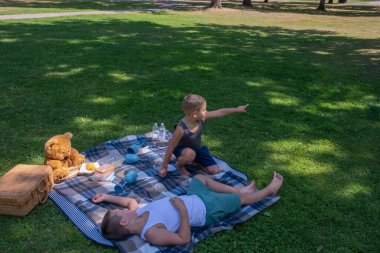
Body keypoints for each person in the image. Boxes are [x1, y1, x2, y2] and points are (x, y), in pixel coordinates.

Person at [92, 172, 283, 246]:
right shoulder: (151, 233)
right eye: (121, 214)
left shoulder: (138, 213)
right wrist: (182, 211)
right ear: (125, 221)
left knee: (200, 178)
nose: (124, 210)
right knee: (240, 200)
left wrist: (107, 196)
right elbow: (183, 239)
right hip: (207, 210)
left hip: (194, 197)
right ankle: (269, 191)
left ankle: (239, 189)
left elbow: (129, 203)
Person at [159, 94, 249, 177]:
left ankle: (194, 160)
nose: (206, 111)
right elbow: (170, 147)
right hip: (182, 151)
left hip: (197, 149)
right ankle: (180, 166)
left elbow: (220, 112)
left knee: (214, 170)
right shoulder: (181, 128)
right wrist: (164, 167)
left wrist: (237, 109)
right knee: (190, 154)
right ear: (195, 114)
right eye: (203, 109)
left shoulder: (202, 117)